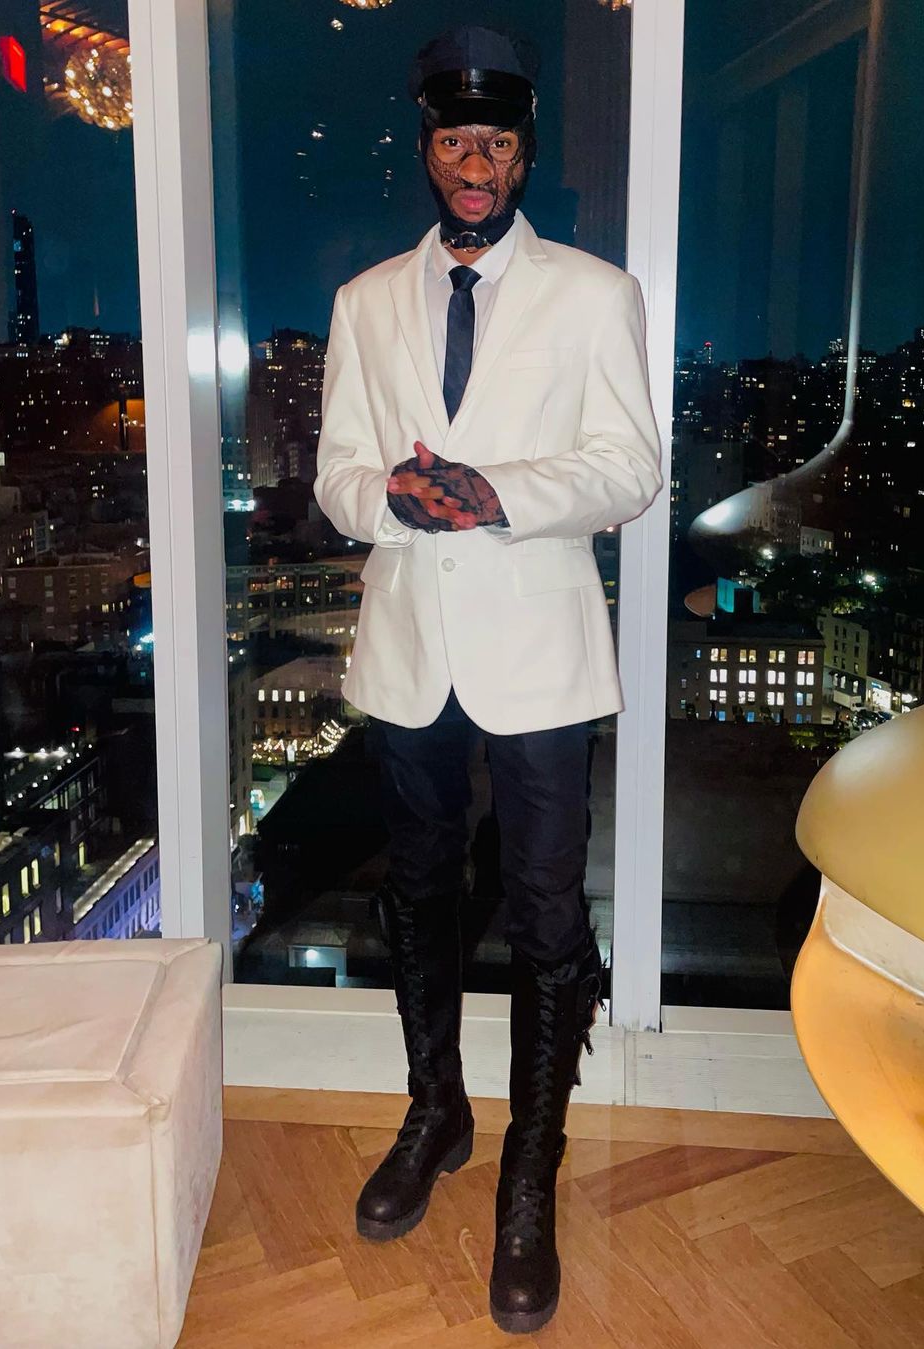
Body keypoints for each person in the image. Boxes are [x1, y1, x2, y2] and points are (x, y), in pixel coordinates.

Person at [314, 24, 661, 1335]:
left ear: (524, 153)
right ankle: (436, 1112)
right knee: (417, 890)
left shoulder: (595, 294)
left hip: (540, 655)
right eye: (454, 140)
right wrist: (396, 502)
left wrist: (494, 493)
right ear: (426, 149)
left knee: (547, 910)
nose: (475, 163)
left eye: (497, 142)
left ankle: (531, 1169)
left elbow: (631, 468)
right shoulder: (363, 302)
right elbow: (337, 473)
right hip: (409, 649)